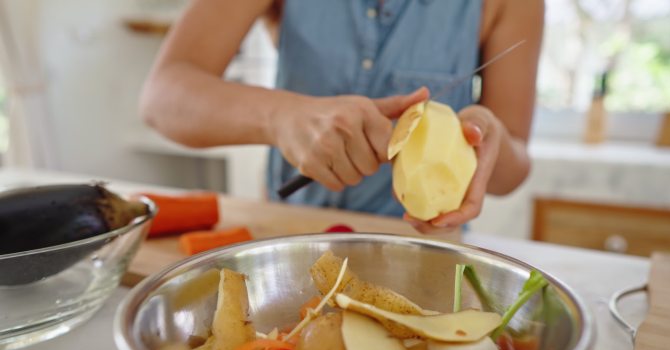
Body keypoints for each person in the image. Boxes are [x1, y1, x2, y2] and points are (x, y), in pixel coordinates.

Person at [140, 0, 544, 235]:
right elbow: (163, 96)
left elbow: (515, 165)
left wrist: (491, 141)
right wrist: (280, 117)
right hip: (292, 234)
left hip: (421, 248)